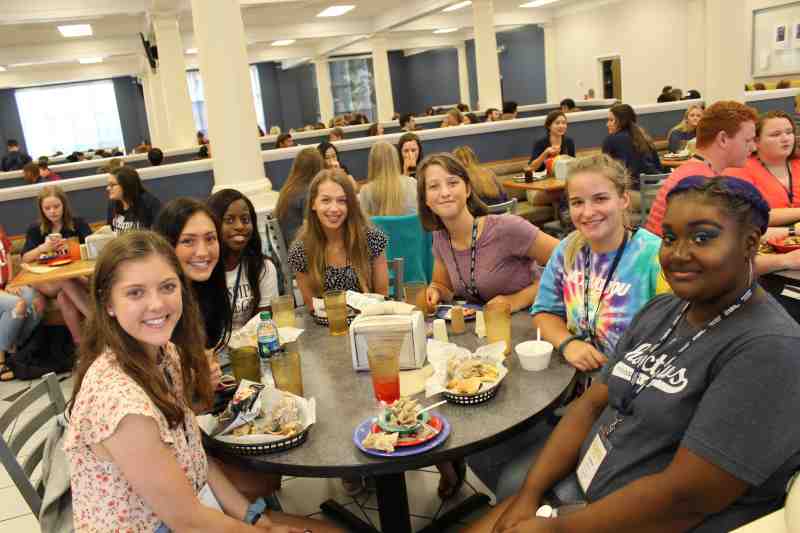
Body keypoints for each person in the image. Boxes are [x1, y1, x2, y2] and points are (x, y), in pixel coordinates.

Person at [468, 177, 800, 533]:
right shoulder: (663, 310)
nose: (678, 253)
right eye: (670, 238)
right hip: (582, 494)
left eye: (703, 237)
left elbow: (686, 499)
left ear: (750, 243)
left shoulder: (770, 348)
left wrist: (558, 528)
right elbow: (592, 405)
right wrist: (529, 495)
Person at [64, 230, 340, 533]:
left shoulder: (165, 355)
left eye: (167, 287)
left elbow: (196, 456)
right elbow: (189, 522)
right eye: (135, 293)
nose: (156, 304)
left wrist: (255, 519)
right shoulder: (122, 404)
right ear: (108, 304)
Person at [531, 154, 667, 373]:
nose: (588, 212)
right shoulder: (567, 250)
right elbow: (544, 312)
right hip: (573, 376)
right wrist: (568, 343)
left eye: (600, 199)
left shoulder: (654, 256)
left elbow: (673, 338)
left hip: (632, 385)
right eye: (577, 202)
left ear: (623, 200)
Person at [418, 153, 558, 313]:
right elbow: (442, 284)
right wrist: (435, 291)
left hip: (537, 322)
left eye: (452, 183)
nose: (444, 193)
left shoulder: (506, 228)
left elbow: (570, 259)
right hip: (485, 332)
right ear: (426, 200)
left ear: (468, 189)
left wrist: (516, 300)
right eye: (434, 186)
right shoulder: (440, 238)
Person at [645, 101, 758, 236]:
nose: (753, 147)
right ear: (723, 139)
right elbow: (722, 248)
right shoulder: (701, 184)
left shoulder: (694, 171)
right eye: (747, 141)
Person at [288, 169, 389, 311]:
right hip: (324, 327)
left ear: (350, 205)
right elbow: (312, 307)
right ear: (313, 204)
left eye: (341, 201)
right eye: (326, 200)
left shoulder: (371, 238)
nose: (334, 208)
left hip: (367, 322)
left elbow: (381, 296)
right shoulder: (300, 250)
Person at [155, 198, 232, 354]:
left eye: (210, 238)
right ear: (166, 245)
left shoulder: (207, 290)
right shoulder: (155, 307)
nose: (203, 252)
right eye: (188, 241)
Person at [21, 186, 92, 344]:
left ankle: (80, 344)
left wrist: (71, 247)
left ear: (64, 205)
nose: (52, 211)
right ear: (42, 210)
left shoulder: (78, 224)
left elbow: (93, 248)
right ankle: (97, 320)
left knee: (63, 297)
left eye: (56, 206)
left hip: (73, 278)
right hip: (48, 283)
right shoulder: (35, 230)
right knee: (63, 280)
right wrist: (43, 248)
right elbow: (24, 259)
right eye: (47, 208)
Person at [208, 189, 279, 330]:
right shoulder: (203, 271)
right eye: (229, 220)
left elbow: (263, 323)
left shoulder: (263, 267)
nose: (240, 226)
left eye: (245, 220)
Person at [726, 110, 800, 226]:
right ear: (756, 141)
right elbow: (748, 217)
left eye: (789, 132)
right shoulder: (738, 169)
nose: (786, 139)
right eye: (775, 134)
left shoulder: (797, 163)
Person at [0, 223, 44, 382]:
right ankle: (2, 360)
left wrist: (11, 282)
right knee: (19, 304)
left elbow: (7, 256)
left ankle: (15, 351)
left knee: (37, 301)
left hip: (6, 285)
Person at [602, 103, 663, 186]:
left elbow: (605, 170)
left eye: (611, 120)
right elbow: (658, 166)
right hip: (657, 185)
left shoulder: (611, 139)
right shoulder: (643, 136)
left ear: (622, 121)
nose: (607, 124)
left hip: (633, 189)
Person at [275, 147, 325, 246]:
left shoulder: (288, 188)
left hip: (290, 245)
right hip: (301, 250)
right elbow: (309, 231)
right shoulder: (308, 193)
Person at [359, 141, 418, 216]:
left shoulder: (366, 191)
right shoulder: (413, 183)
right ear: (395, 159)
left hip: (381, 228)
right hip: (412, 227)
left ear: (372, 163)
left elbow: (364, 222)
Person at [106, 166, 163, 233]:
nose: (108, 188)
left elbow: (160, 233)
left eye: (112, 185)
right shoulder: (113, 203)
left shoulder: (149, 203)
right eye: (108, 185)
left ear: (126, 185)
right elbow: (111, 231)